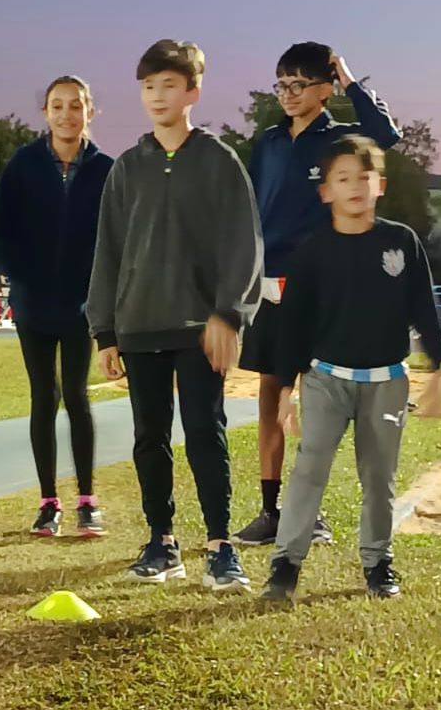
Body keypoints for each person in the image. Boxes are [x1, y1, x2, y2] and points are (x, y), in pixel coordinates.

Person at [87, 40, 263, 591]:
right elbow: (108, 251)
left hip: (199, 328)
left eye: (168, 85)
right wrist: (105, 331)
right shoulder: (127, 168)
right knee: (149, 436)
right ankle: (161, 542)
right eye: (148, 87)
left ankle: (219, 545)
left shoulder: (218, 162)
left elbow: (243, 244)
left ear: (193, 91)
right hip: (139, 326)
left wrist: (229, 314)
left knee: (205, 432)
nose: (157, 96)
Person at [260, 135, 441, 601]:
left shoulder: (400, 242)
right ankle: (285, 565)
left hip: (386, 381)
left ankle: (378, 563)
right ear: (326, 192)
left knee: (379, 478)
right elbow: (293, 325)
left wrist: (437, 370)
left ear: (379, 185)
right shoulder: (312, 251)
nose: (355, 187)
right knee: (309, 469)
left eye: (364, 177)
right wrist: (285, 387)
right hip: (326, 380)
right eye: (343, 179)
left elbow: (424, 307)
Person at [233, 42, 403, 548]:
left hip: (321, 287)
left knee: (318, 401)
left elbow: (386, 135)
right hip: (268, 284)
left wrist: (350, 79)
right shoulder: (267, 142)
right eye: (280, 84)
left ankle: (313, 513)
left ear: (324, 88)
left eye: (299, 84)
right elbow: (250, 205)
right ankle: (270, 511)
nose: (287, 94)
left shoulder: (341, 138)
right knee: (270, 394)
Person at [0, 75, 114, 537]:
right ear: (46, 113)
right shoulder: (24, 164)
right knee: (44, 397)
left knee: (76, 395)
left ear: (89, 112)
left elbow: (118, 237)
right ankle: (48, 502)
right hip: (34, 304)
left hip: (81, 306)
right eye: (57, 106)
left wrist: (101, 287)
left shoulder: (105, 170)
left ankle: (87, 501)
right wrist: (21, 271)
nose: (66, 114)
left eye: (75, 106)